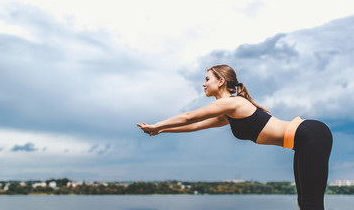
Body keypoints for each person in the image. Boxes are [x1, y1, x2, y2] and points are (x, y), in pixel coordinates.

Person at [137, 64, 332, 210]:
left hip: (311, 134)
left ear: (220, 81)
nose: (203, 84)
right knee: (305, 202)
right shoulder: (229, 113)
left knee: (310, 202)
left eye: (207, 79)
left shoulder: (233, 103)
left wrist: (157, 124)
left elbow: (189, 116)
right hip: (304, 139)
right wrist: (161, 131)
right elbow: (195, 125)